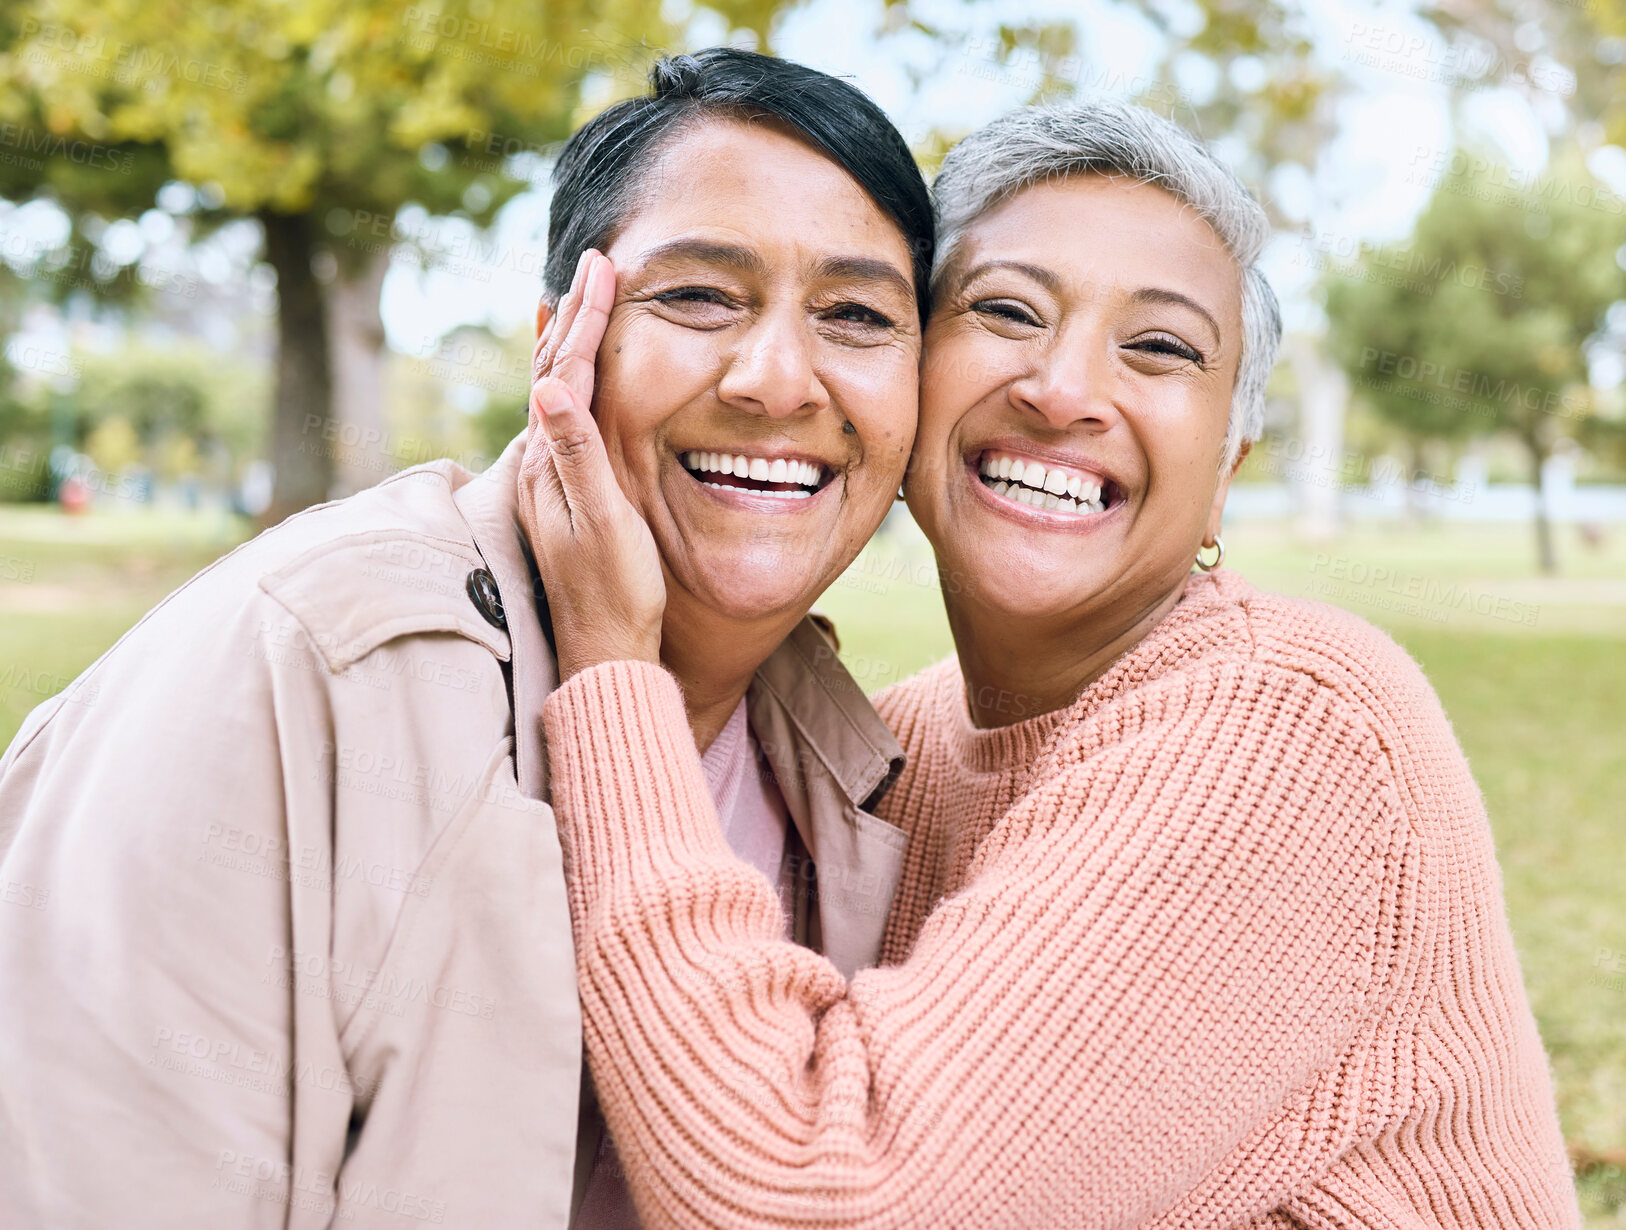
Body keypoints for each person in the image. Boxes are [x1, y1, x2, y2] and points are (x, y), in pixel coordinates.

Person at [522, 99, 1582, 1228]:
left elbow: (812, 1206)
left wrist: (612, 671)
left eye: (1161, 347)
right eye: (1008, 311)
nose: (1063, 390)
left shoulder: (1293, 731)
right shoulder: (895, 745)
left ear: (1228, 465)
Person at [0, 49, 932, 1229]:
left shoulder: (849, 770)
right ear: (561, 341)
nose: (777, 378)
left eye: (856, 316)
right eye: (700, 296)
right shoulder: (311, 664)